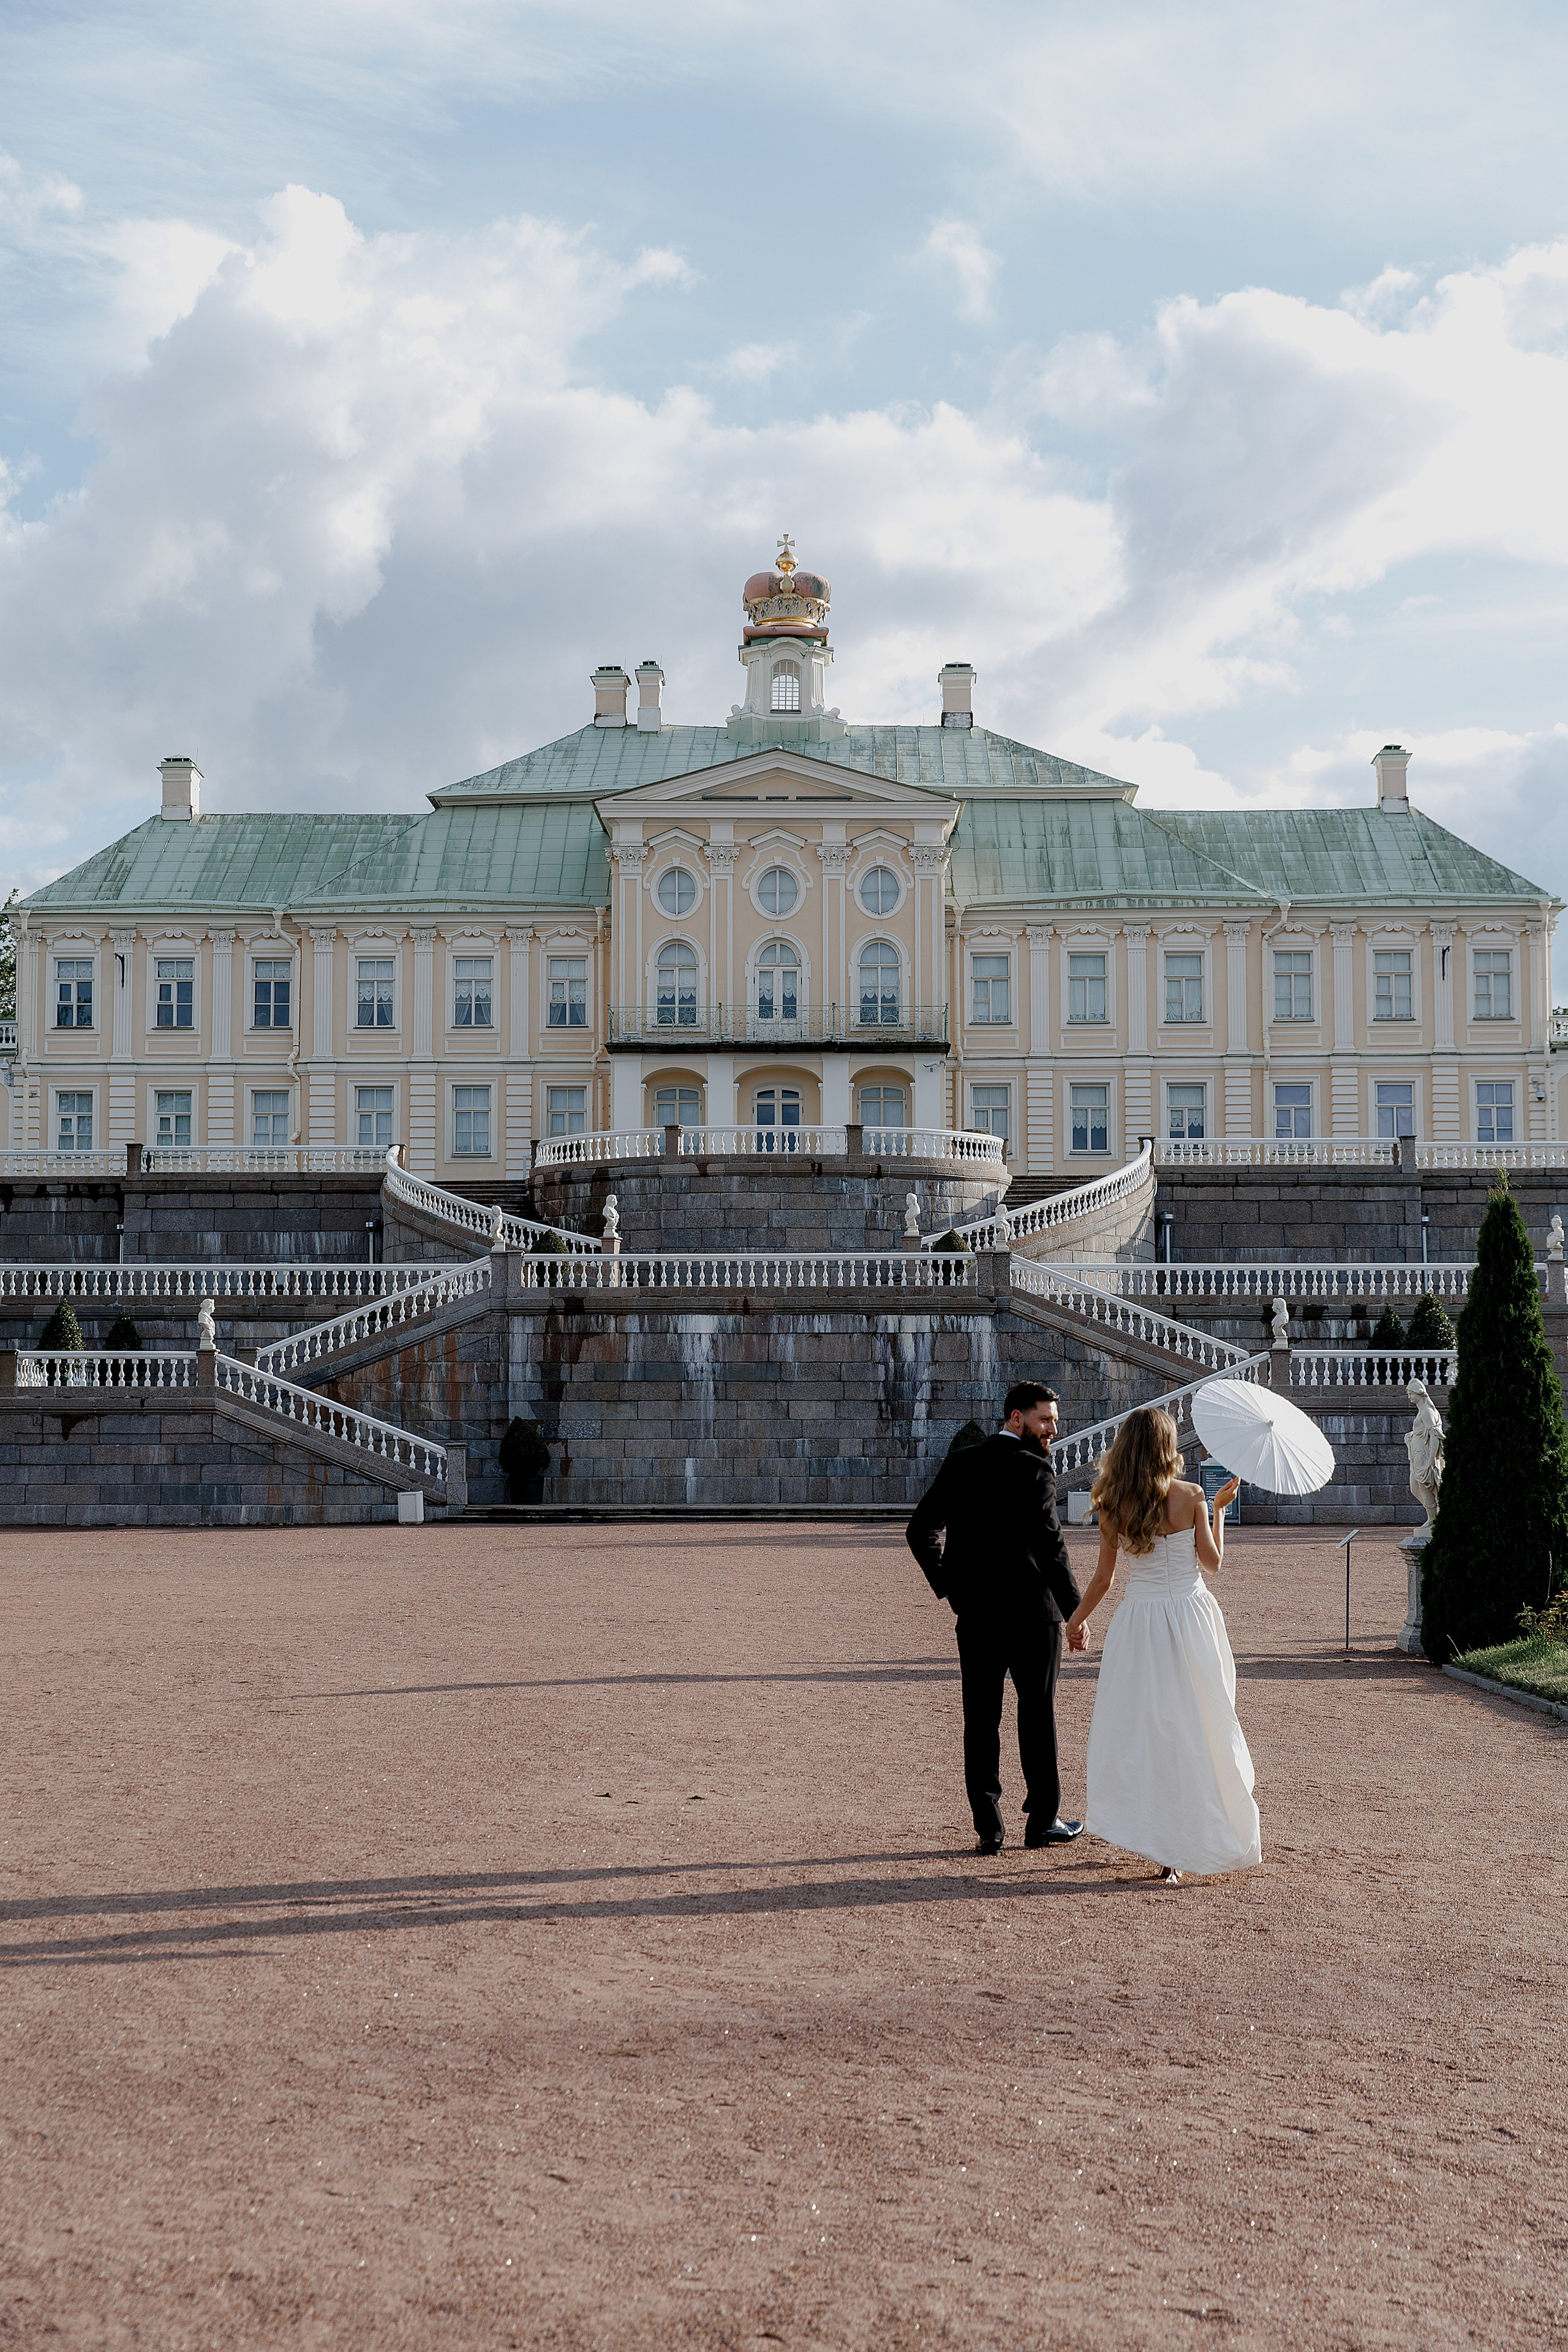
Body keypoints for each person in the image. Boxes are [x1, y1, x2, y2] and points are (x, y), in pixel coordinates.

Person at [1065, 1407, 1260, 1884]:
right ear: (1168, 1447)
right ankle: (1183, 1840)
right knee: (1200, 1723)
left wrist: (1074, 1621)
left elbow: (1104, 1580)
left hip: (1141, 1623)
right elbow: (1212, 1566)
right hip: (1191, 1617)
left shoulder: (1113, 1501)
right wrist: (1218, 1511)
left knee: (1145, 1730)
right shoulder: (1193, 1494)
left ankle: (1160, 1842)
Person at [906, 1381, 1084, 1856]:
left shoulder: (964, 1461)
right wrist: (1076, 1613)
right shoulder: (1034, 1468)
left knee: (980, 1721)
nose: (1053, 1428)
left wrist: (952, 1589)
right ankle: (1042, 1822)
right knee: (1037, 1715)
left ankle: (989, 1826)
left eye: (1053, 1419)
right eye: (1045, 1419)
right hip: (1034, 1615)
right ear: (1015, 1418)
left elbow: (920, 1529)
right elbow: (1051, 1548)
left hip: (978, 1614)